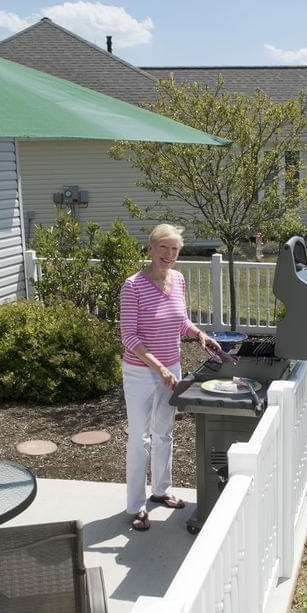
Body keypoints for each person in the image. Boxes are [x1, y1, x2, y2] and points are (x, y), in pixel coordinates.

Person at [119, 223, 220, 531]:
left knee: (165, 433)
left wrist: (200, 334)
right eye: (163, 247)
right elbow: (129, 337)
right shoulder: (132, 285)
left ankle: (161, 491)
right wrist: (158, 368)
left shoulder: (177, 279)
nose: (169, 254)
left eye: (174, 249)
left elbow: (181, 321)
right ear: (150, 249)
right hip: (141, 373)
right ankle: (135, 505)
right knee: (140, 438)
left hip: (171, 370)